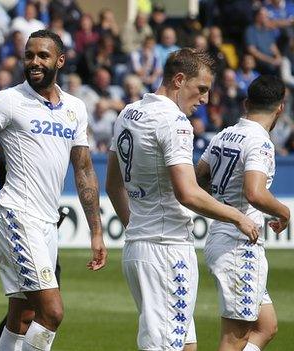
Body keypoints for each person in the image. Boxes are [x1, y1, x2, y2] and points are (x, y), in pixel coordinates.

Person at [0, 29, 107, 351]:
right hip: (16, 214)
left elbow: (84, 170)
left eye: (42, 56)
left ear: (60, 61)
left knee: (22, 315)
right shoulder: (8, 100)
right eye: (29, 55)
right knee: (51, 312)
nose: (34, 62)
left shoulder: (75, 109)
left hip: (47, 223)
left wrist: (96, 231)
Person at [105, 48, 260, 351]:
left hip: (138, 248)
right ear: (179, 80)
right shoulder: (174, 122)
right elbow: (187, 193)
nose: (204, 99)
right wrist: (238, 216)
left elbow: (113, 185)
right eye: (200, 89)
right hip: (167, 251)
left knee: (186, 346)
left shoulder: (128, 113)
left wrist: (136, 228)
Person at [196, 75, 290, 351]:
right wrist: (284, 213)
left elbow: (199, 177)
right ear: (280, 108)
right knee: (234, 338)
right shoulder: (260, 142)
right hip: (239, 245)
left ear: (247, 103)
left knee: (266, 326)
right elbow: (255, 193)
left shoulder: (224, 134)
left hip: (222, 238)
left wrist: (223, 199)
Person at [0, 146, 67, 351]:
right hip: (24, 223)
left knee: (24, 312)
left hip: (43, 226)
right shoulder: (16, 138)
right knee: (49, 311)